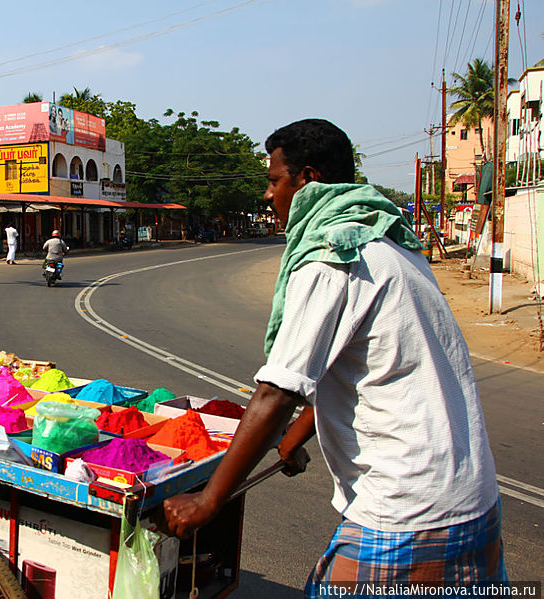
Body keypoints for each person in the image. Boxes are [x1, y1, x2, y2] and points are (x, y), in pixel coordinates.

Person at [163, 119, 504, 595]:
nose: (268, 195)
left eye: (274, 180)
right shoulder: (389, 238)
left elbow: (278, 392)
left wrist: (209, 500)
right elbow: (364, 368)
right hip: (472, 499)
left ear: (307, 179)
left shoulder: (331, 254)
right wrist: (293, 437)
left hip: (406, 512)